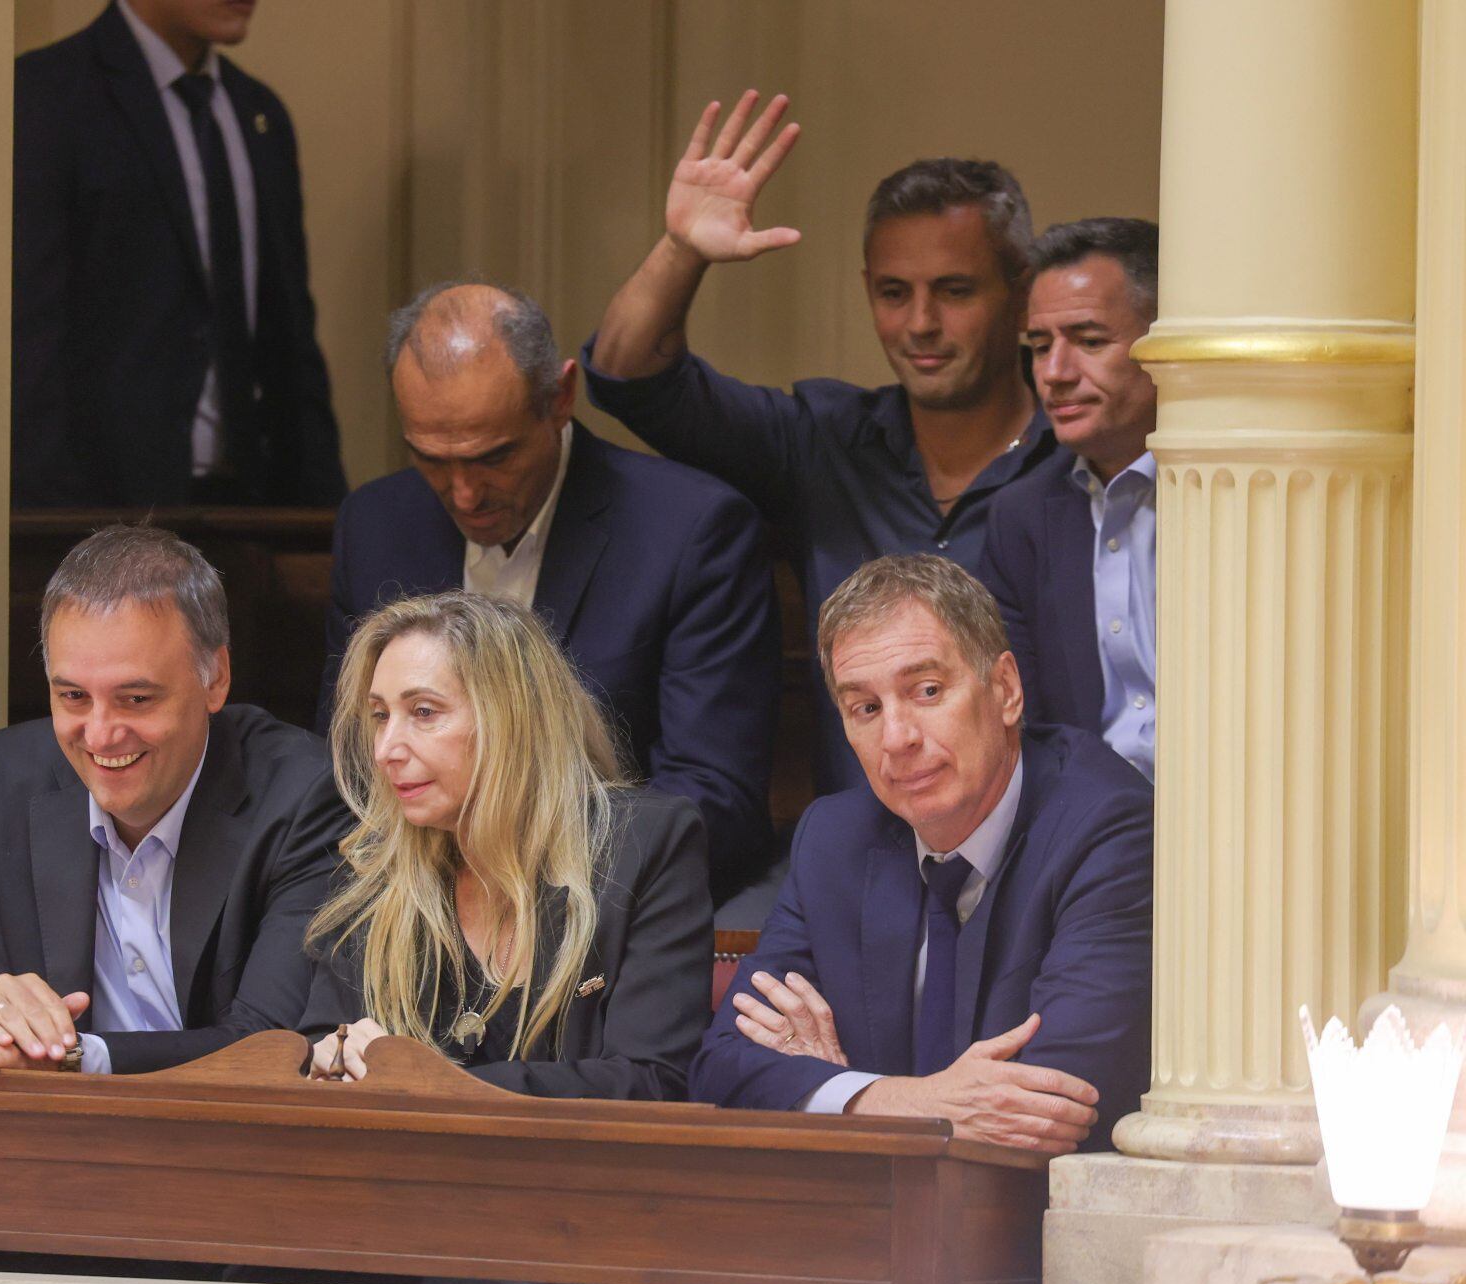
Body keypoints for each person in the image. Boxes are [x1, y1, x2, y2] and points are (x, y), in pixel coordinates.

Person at [585, 92, 1057, 794]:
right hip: (864, 848)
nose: (920, 322)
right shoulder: (824, 439)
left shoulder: (1081, 454)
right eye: (894, 293)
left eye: (955, 291)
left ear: (1021, 295)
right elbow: (628, 377)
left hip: (1038, 846)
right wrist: (682, 249)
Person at [321, 281, 781, 896]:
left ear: (560, 398)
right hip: (411, 904)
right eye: (431, 459)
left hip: (609, 905)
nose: (464, 494)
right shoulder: (375, 526)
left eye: (494, 456)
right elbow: (347, 760)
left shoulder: (690, 531)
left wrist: (518, 886)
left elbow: (711, 800)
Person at [691, 555, 1152, 1153]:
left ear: (1006, 690)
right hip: (870, 1224)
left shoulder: (1108, 828)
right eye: (867, 708)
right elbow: (723, 1067)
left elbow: (1048, 1103)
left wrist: (834, 1091)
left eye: (927, 691)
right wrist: (895, 1101)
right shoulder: (836, 839)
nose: (898, 738)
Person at [0, 524, 351, 1125]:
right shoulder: (8, 777)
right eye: (74, 697)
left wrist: (70, 1057)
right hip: (58, 1150)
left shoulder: (305, 792)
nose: (102, 735)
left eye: (137, 699)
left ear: (215, 679)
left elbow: (274, 1043)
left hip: (235, 1147)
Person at [301, 591, 713, 1100]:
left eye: (424, 712)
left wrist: (426, 1082)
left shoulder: (644, 845)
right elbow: (320, 1043)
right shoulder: (376, 867)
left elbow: (651, 1081)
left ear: (513, 720)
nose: (386, 750)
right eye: (380, 716)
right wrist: (329, 1059)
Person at [11, 0, 344, 507]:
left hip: (249, 511)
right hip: (99, 517)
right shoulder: (47, 95)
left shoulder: (260, 113)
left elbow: (291, 333)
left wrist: (325, 521)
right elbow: (31, 331)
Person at [979, 219, 1160, 780]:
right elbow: (1019, 732)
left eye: (1088, 341)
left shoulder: (1232, 491)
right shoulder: (1022, 517)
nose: (1053, 374)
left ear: (1165, 345)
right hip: (1089, 827)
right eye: (1039, 346)